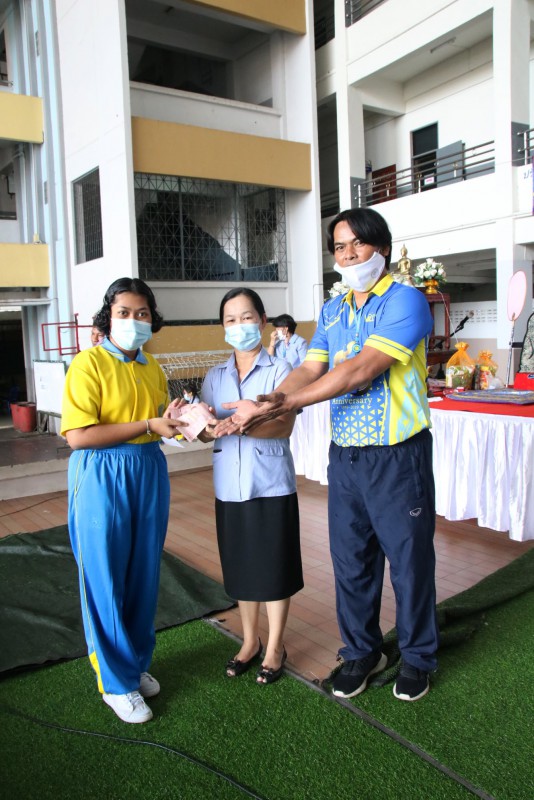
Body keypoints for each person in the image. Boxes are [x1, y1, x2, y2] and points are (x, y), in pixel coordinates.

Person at [215, 208, 439, 702]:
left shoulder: (406, 301)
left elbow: (361, 369)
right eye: (339, 247)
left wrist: (289, 403)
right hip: (347, 458)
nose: (349, 254)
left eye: (358, 243)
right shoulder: (334, 310)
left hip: (397, 456)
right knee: (351, 561)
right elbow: (311, 368)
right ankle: (362, 652)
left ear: (381, 248)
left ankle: (418, 657)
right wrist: (275, 397)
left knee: (408, 562)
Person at [61, 277, 186, 724]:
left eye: (142, 313)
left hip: (148, 469)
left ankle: (133, 663)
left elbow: (158, 424)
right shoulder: (88, 364)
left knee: (142, 573)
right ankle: (115, 683)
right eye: (124, 313)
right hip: (101, 472)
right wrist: (149, 425)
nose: (134, 320)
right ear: (107, 317)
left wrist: (179, 423)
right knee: (104, 575)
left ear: (153, 319)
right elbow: (78, 436)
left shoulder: (152, 367)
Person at [177, 288, 303, 685]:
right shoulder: (215, 376)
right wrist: (194, 423)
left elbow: (284, 424)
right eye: (230, 320)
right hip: (228, 484)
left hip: (269, 482)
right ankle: (250, 641)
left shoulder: (281, 370)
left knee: (274, 566)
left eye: (247, 317)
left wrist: (243, 425)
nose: (239, 326)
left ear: (262, 322)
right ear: (223, 327)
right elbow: (208, 430)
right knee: (242, 566)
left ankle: (275, 646)